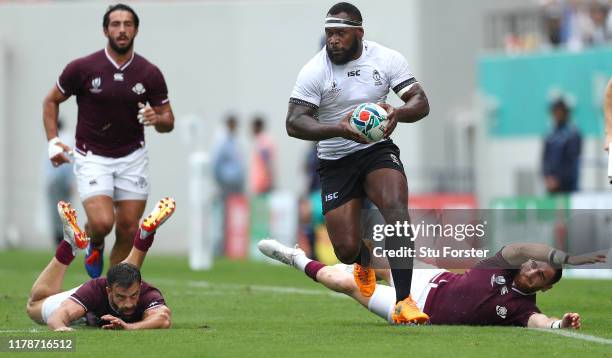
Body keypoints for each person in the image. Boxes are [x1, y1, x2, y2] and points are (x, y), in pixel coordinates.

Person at [285, 2, 430, 324]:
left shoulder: (386, 59)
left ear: (359, 34)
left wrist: (398, 113)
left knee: (395, 208)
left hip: (376, 150)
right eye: (329, 34)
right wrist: (340, 128)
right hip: (336, 159)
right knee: (345, 250)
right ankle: (364, 259)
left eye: (340, 33)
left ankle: (404, 301)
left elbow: (420, 102)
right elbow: (294, 123)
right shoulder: (314, 70)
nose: (333, 40)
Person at [42, 3, 175, 278]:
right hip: (93, 156)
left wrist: (157, 118)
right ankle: (95, 241)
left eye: (128, 24)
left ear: (136, 29)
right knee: (103, 222)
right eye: (115, 24)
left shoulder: (149, 73)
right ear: (105, 30)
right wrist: (53, 141)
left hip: (132, 157)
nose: (122, 29)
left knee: (128, 228)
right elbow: (51, 100)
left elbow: (168, 121)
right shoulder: (83, 67)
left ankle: (110, 294)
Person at [258, 239, 606, 328]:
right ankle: (329, 255)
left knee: (345, 284)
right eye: (534, 265)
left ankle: (296, 258)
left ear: (545, 287)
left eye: (541, 275)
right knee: (369, 257)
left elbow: (540, 323)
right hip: (429, 277)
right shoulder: (501, 262)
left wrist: (561, 323)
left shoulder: (521, 308)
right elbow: (520, 249)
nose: (532, 271)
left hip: (415, 313)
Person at [26, 197, 175, 331]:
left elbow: (163, 319)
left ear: (140, 287)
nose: (129, 303)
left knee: (126, 273)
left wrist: (129, 327)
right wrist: (60, 328)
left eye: (134, 295)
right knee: (34, 306)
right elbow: (58, 316)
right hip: (85, 311)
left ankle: (144, 237)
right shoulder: (94, 290)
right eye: (121, 297)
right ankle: (69, 245)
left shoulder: (147, 293)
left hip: (105, 294)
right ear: (108, 291)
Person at [45, 117, 75, 246]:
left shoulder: (57, 140)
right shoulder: (68, 138)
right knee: (65, 210)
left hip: (57, 181)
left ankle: (61, 241)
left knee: (57, 211)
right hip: (62, 181)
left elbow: (66, 164)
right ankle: (65, 239)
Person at [542, 98, 582, 194]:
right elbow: (544, 159)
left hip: (568, 187)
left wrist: (559, 180)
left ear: (565, 113)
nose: (556, 115)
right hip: (551, 187)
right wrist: (548, 178)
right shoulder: (550, 134)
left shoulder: (573, 134)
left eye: (559, 112)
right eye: (554, 112)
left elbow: (572, 162)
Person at [249, 116, 276, 195]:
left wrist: (269, 181)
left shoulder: (262, 142)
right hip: (261, 183)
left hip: (262, 184)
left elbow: (267, 162)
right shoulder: (261, 140)